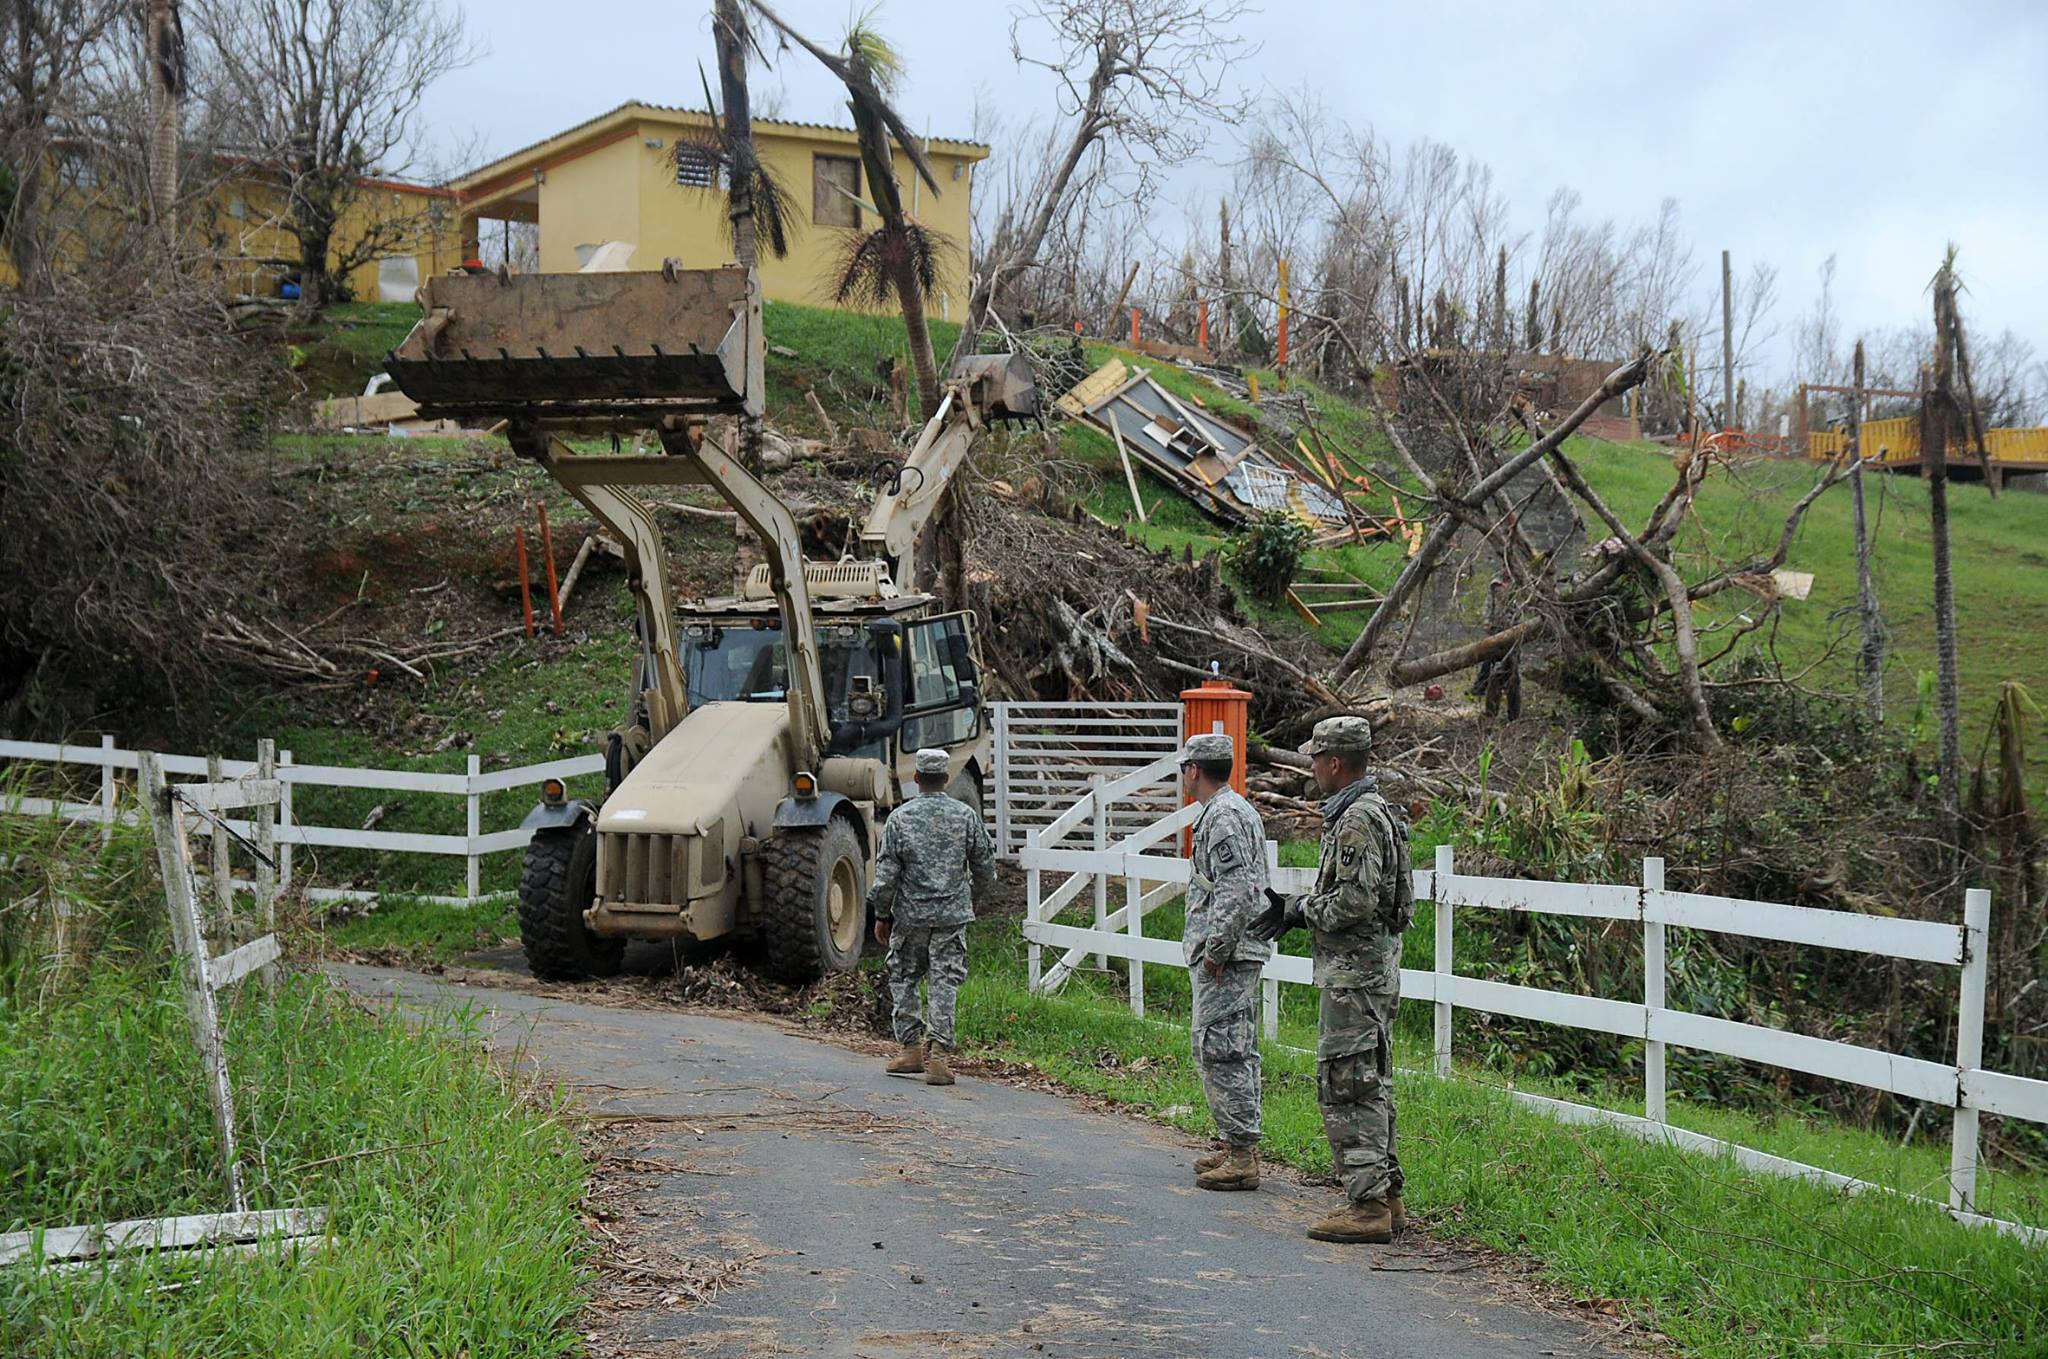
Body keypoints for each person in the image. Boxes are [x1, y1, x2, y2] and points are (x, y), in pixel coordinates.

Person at [1252, 715, 1412, 1243]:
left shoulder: (1357, 821)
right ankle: (1386, 1198)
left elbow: (1356, 902)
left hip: (1357, 976)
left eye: (1317, 758)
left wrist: (1300, 909)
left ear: (1335, 762)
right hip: (1370, 972)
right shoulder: (1375, 811)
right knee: (1371, 1081)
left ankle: (1366, 1207)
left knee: (1348, 1084)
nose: (1312, 767)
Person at [868, 747, 995, 1087]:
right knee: (945, 981)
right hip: (952, 916)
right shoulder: (965, 816)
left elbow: (885, 877)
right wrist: (972, 901)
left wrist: (882, 913)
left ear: (917, 778)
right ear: (946, 778)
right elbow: (986, 868)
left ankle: (910, 1050)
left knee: (905, 977)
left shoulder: (899, 819)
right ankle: (938, 1056)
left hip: (910, 916)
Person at [1179, 732, 1272, 1191]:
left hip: (1228, 955)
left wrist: (1216, 950)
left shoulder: (1224, 817)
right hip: (1233, 950)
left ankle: (1241, 1154)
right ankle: (1236, 1140)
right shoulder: (1232, 810)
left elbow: (1236, 890)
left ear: (1195, 770)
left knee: (1221, 1047)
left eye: (1185, 768)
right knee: (1235, 1043)